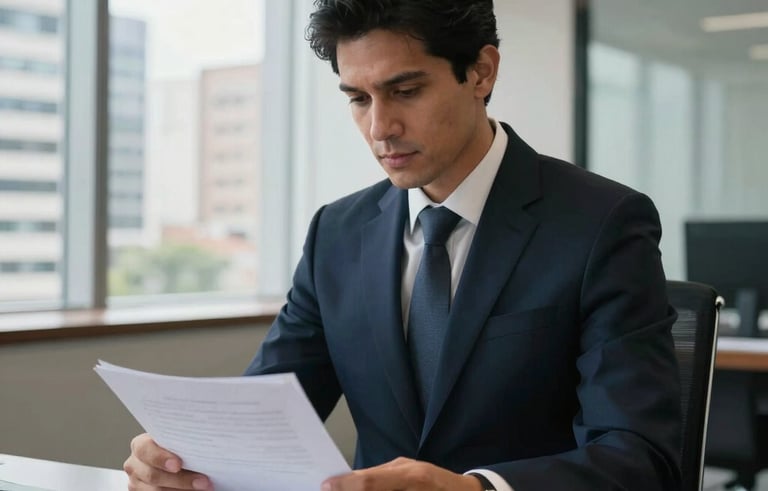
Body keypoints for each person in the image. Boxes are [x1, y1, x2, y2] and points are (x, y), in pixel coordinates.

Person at [123, 1, 682, 490]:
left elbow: (641, 458)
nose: (379, 128)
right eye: (358, 99)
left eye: (405, 91)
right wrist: (186, 457)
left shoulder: (601, 223)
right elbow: (261, 418)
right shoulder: (337, 233)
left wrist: (475, 490)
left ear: (481, 72)